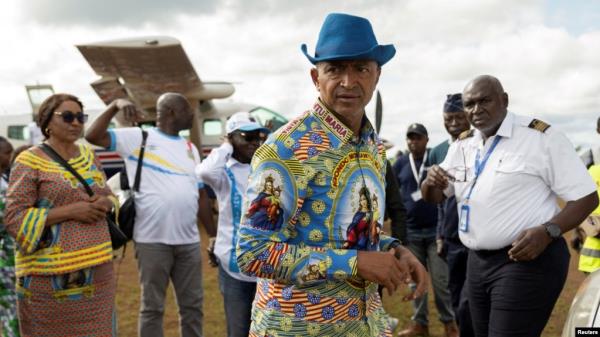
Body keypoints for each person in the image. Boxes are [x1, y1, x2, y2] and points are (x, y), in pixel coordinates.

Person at [236, 13, 428, 337]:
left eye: (361, 69)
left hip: (366, 324)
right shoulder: (287, 149)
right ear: (315, 77)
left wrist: (394, 248)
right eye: (335, 69)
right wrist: (356, 263)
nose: (349, 82)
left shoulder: (373, 148)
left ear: (377, 75)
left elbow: (346, 231)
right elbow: (253, 253)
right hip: (297, 328)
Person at [422, 75, 599, 337]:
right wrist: (430, 181)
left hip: (526, 259)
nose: (476, 109)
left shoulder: (540, 137)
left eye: (484, 101)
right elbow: (435, 196)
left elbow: (586, 197)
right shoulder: (463, 144)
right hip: (477, 261)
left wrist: (549, 231)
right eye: (469, 104)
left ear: (504, 100)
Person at [85, 93, 216, 337]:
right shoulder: (139, 138)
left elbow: (200, 196)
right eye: (188, 110)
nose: (192, 115)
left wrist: (212, 234)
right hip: (151, 241)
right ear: (172, 112)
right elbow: (92, 135)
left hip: (188, 242)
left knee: (192, 307)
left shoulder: (191, 149)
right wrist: (115, 105)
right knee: (152, 307)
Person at [5, 93, 116, 336]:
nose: (76, 122)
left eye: (80, 117)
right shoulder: (29, 160)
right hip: (50, 281)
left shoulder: (89, 156)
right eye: (67, 116)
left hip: (99, 274)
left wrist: (106, 203)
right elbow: (14, 218)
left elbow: (109, 194)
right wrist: (70, 211)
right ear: (47, 122)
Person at [196, 111, 269, 337]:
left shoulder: (267, 168)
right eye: (247, 137)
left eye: (258, 137)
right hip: (233, 269)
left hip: (268, 269)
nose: (254, 142)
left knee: (268, 330)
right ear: (231, 138)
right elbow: (204, 172)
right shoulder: (223, 171)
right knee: (238, 331)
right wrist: (226, 145)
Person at [394, 123, 458, 337]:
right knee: (415, 283)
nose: (413, 141)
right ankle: (420, 324)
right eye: (410, 138)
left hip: (434, 232)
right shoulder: (401, 163)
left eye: (418, 138)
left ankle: (450, 324)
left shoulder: (435, 161)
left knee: (441, 282)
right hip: (411, 233)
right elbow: (394, 195)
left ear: (427, 140)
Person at [428, 93, 474, 337]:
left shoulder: (482, 144)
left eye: (459, 117)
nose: (454, 123)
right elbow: (438, 202)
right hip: (451, 237)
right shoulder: (437, 152)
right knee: (456, 296)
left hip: (478, 235)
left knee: (475, 299)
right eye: (449, 118)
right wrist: (439, 235)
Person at [0, 137, 17, 337]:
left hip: (11, 257)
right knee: (11, 312)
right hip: (4, 259)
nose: (10, 157)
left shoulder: (5, 177)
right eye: (7, 153)